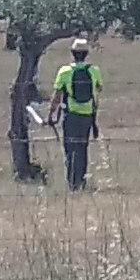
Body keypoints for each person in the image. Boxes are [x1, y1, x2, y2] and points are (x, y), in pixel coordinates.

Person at [49, 37, 102, 191]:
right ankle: (82, 180)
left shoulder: (65, 71)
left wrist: (51, 114)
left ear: (72, 53)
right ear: (86, 54)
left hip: (71, 115)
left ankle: (72, 182)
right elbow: (99, 89)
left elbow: (57, 95)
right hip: (88, 116)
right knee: (83, 148)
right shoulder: (94, 71)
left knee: (70, 148)